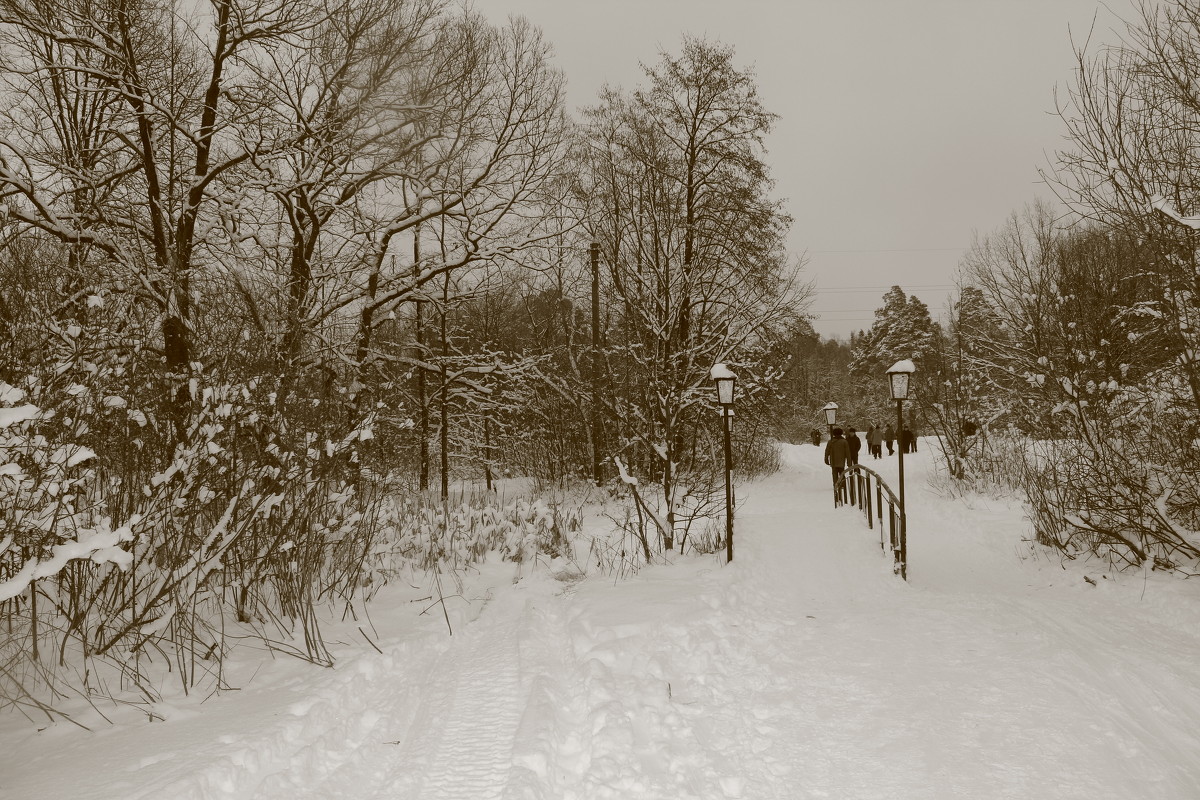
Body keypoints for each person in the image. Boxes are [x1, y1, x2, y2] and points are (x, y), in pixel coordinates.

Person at [824, 427, 850, 505]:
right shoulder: (844, 442)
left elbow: (827, 451)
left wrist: (826, 459)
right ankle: (843, 484)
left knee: (834, 474)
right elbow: (848, 453)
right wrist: (849, 462)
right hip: (841, 461)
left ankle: (835, 485)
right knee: (842, 472)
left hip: (833, 461)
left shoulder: (831, 442)